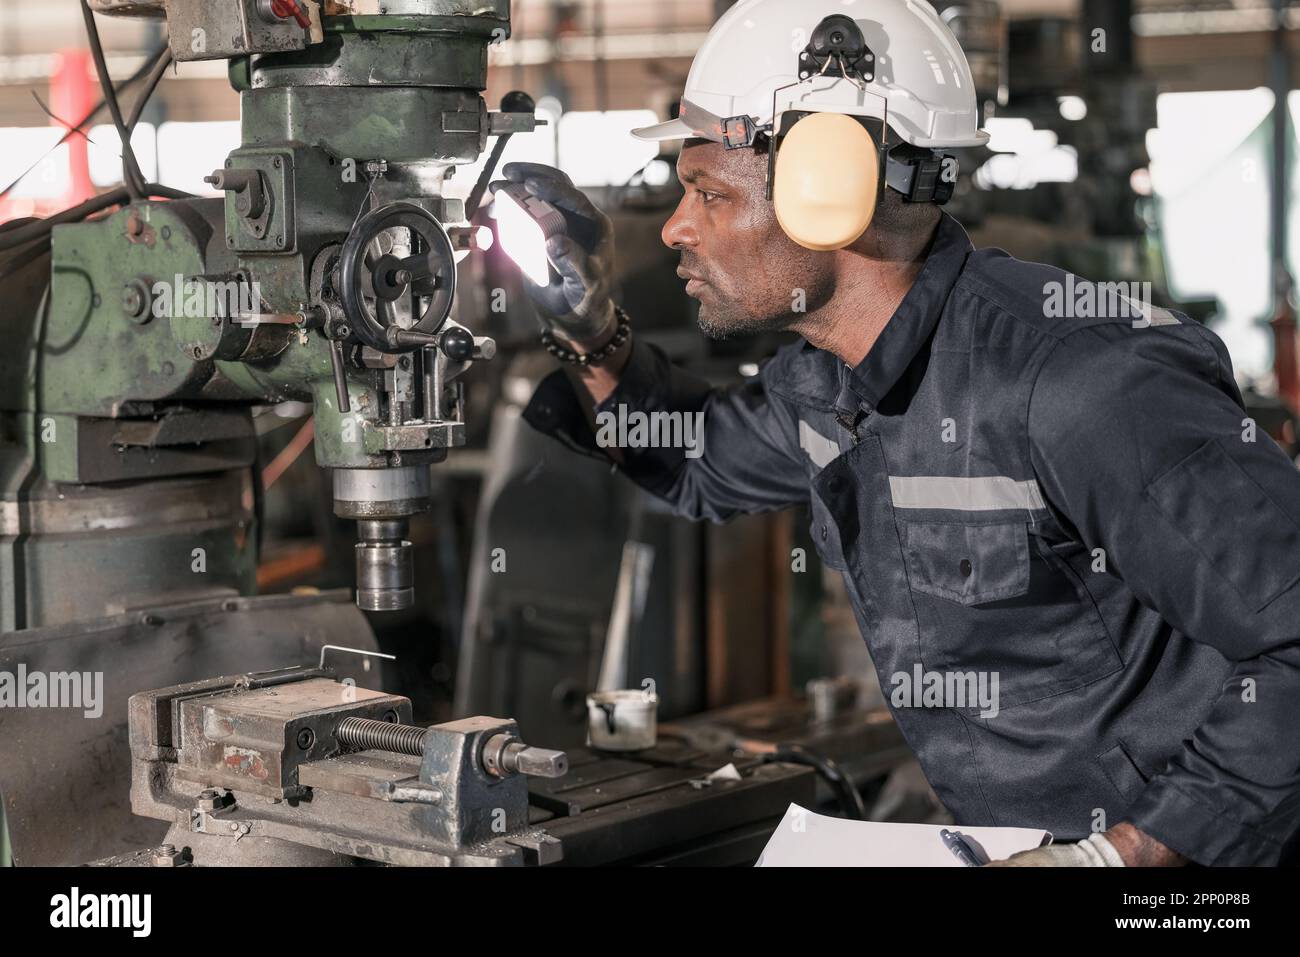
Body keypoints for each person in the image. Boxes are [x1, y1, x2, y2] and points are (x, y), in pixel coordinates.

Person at [495, 0, 1300, 866]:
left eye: (708, 192)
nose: (674, 228)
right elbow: (699, 459)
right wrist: (589, 326)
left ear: (827, 189)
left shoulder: (1078, 383)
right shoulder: (826, 380)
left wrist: (1126, 854)